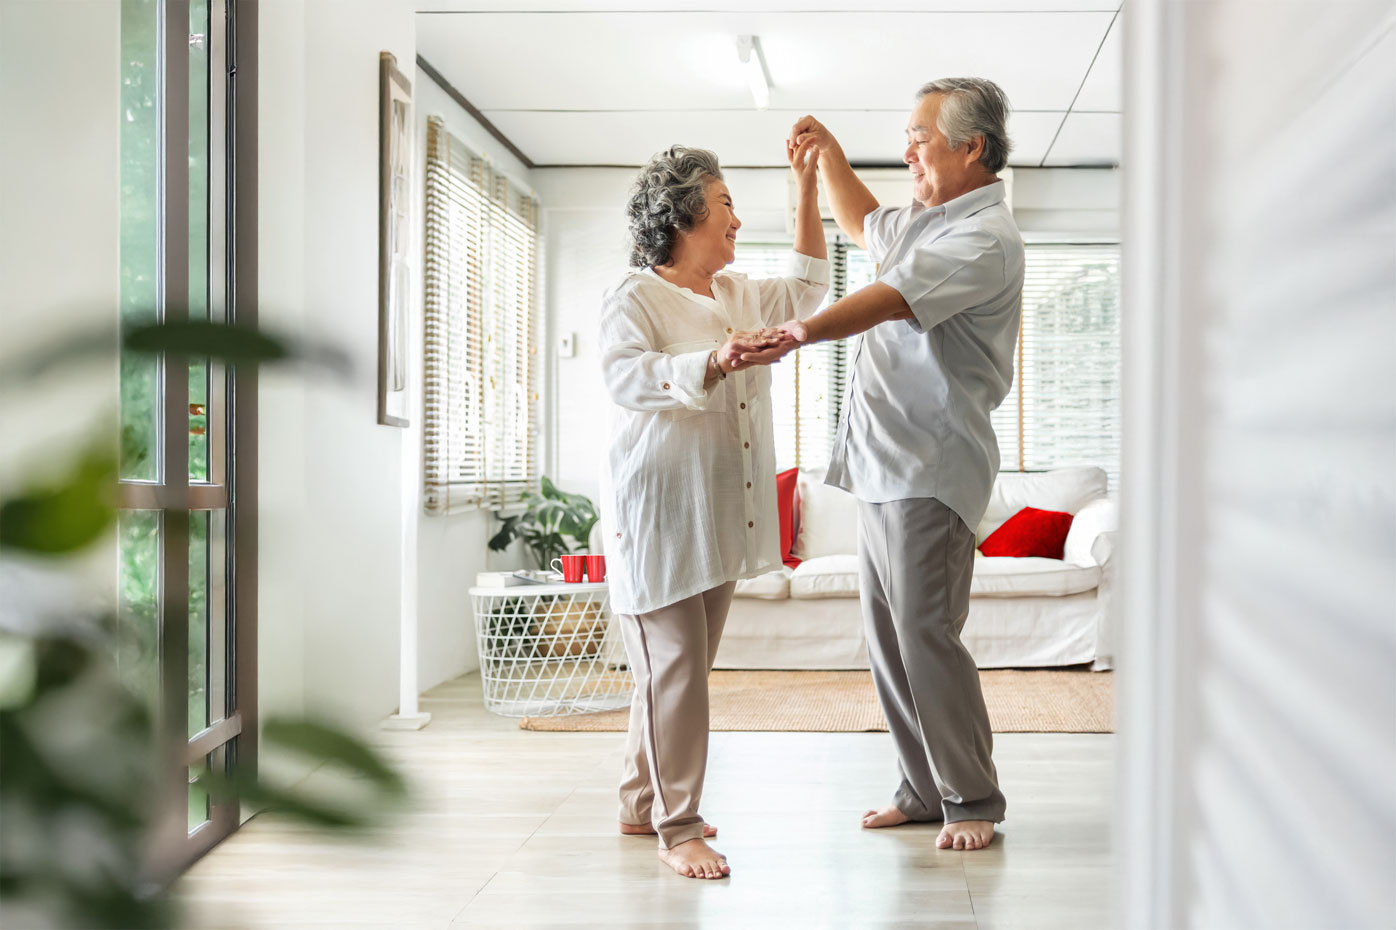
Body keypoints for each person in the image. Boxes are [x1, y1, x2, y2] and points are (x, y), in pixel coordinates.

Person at [748, 77, 1023, 851]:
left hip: (931, 467)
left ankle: (971, 797)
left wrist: (800, 333)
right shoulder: (929, 219)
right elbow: (865, 223)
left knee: (926, 633)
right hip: (884, 463)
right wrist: (829, 155)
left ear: (972, 148)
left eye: (921, 138)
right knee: (890, 637)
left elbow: (892, 296)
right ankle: (922, 788)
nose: (909, 150)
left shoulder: (982, 237)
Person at [598, 140, 827, 879]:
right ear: (686, 215)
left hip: (721, 510)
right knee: (675, 671)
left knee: (675, 674)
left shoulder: (733, 295)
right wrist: (717, 360)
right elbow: (627, 380)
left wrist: (806, 186)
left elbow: (808, 288)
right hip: (660, 512)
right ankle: (680, 826)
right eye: (725, 204)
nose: (736, 220)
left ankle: (641, 803)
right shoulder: (634, 296)